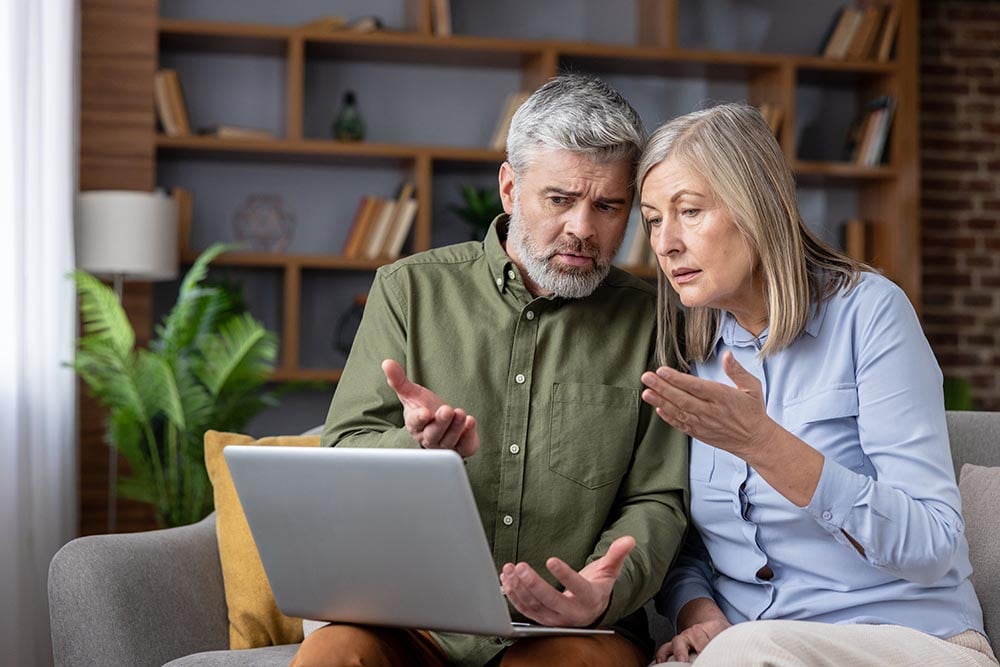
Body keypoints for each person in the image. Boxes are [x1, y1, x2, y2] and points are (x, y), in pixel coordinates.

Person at [290, 74, 688, 667]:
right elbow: (344, 448)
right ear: (509, 188)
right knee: (332, 656)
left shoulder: (656, 321)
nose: (583, 228)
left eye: (608, 206)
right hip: (413, 622)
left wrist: (603, 591)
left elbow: (658, 495)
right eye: (559, 199)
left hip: (573, 630)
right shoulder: (408, 291)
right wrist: (416, 447)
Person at [636, 101, 996, 667]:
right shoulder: (692, 349)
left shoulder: (870, 314)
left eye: (690, 211)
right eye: (654, 219)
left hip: (913, 640)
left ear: (758, 206)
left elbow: (932, 545)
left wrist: (766, 445)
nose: (666, 242)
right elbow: (691, 539)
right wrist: (697, 611)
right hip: (752, 650)